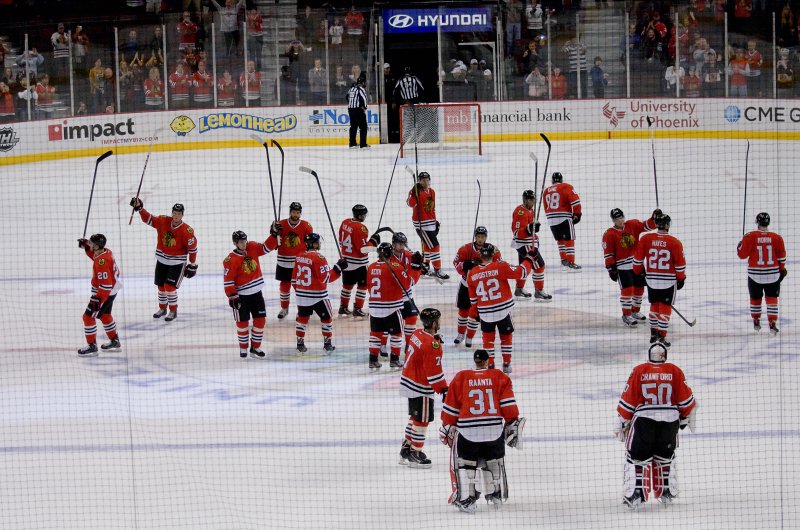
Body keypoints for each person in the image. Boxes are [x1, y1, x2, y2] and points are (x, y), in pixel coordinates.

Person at [439, 348, 524, 513]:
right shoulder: (499, 377)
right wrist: (511, 423)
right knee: (494, 461)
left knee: (465, 464)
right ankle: (496, 494)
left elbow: (450, 412)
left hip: (468, 432)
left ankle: (466, 499)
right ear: (488, 361)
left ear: (475, 361)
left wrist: (447, 425)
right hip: (494, 431)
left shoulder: (461, 377)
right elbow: (510, 409)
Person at [614, 343, 697, 509]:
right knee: (665, 455)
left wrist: (622, 420)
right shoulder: (675, 371)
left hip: (644, 420)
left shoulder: (639, 370)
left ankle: (636, 493)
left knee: (636, 457)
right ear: (665, 356)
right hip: (670, 422)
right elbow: (686, 401)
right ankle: (666, 490)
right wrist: (685, 417)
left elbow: (629, 399)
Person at [467, 243, 534, 373]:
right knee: (506, 337)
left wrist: (475, 312)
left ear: (480, 255)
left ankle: (490, 366)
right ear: (493, 254)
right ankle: (507, 364)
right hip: (503, 311)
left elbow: (473, 299)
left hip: (485, 313)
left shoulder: (472, 273)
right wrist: (529, 259)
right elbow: (522, 273)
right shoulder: (500, 266)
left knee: (488, 340)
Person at [129, 199, 198, 321]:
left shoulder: (187, 231)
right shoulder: (163, 221)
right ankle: (162, 308)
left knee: (169, 287)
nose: (176, 216)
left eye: (179, 214)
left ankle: (173, 310)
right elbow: (148, 219)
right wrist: (140, 208)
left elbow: (192, 249)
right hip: (162, 260)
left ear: (182, 215)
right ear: (172, 213)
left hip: (177, 262)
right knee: (160, 287)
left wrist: (192, 264)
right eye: (175, 213)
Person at [399, 307, 448, 469]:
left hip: (408, 380)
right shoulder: (432, 345)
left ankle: (406, 448)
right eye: (438, 321)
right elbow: (433, 372)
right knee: (422, 420)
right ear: (434, 323)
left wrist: (434, 339)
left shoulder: (417, 334)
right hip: (420, 386)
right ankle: (415, 452)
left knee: (414, 417)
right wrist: (443, 389)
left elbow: (421, 349)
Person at [632, 214, 686, 347]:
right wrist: (681, 278)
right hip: (668, 281)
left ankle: (653, 334)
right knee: (665, 308)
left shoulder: (646, 238)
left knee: (654, 305)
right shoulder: (675, 242)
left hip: (651, 280)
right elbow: (680, 264)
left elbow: (637, 260)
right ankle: (661, 336)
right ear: (667, 225)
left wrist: (639, 272)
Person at [223, 230, 278, 359]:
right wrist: (232, 296)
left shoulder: (252, 247)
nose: (244, 244)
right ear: (235, 243)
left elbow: (266, 248)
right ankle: (243, 348)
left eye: (244, 241)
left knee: (260, 321)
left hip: (256, 294)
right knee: (242, 323)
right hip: (241, 296)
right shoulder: (230, 259)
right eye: (240, 242)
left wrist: (274, 235)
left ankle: (255, 347)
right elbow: (228, 280)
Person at [602, 208, 660, 327]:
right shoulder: (609, 234)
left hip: (636, 264)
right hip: (622, 267)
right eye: (617, 219)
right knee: (627, 291)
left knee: (639, 289)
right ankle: (626, 314)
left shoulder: (633, 224)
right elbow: (608, 253)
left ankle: (635, 311)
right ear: (613, 220)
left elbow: (646, 226)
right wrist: (611, 268)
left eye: (621, 218)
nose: (620, 221)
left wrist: (654, 218)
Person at [293, 233, 348, 353]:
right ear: (313, 244)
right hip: (318, 296)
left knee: (302, 318)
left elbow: (293, 279)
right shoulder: (319, 257)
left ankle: (300, 344)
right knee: (327, 318)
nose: (319, 244)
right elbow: (327, 278)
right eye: (317, 242)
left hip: (301, 296)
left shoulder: (299, 256)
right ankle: (327, 344)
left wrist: (300, 292)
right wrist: (338, 268)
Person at [366, 243, 415, 371]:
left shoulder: (370, 267)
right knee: (397, 334)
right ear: (389, 253)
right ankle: (395, 360)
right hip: (391, 308)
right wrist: (415, 267)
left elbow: (368, 286)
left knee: (375, 334)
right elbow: (408, 284)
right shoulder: (395, 267)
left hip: (374, 308)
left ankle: (373, 360)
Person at [737, 212, 787, 334]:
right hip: (772, 275)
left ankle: (756, 320)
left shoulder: (750, 236)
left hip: (754, 275)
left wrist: (740, 245)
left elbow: (742, 255)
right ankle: (772, 322)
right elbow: (782, 258)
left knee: (755, 298)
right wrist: (781, 270)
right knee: (772, 299)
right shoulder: (777, 237)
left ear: (757, 222)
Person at [453, 226, 501, 347]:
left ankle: (469, 337)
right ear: (475, 237)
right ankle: (460, 334)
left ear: (486, 237)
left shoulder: (493, 250)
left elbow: (499, 266)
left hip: (481, 287)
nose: (480, 239)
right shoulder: (465, 249)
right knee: (463, 311)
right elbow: (456, 263)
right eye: (478, 237)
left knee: (475, 313)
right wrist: (465, 265)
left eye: (483, 237)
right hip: (466, 285)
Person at [76, 234, 122, 357]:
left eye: (91, 243)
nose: (90, 244)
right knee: (105, 315)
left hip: (104, 292)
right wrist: (86, 246)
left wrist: (98, 299)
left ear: (97, 246)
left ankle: (92, 345)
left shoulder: (101, 262)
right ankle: (114, 341)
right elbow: (94, 255)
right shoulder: (106, 252)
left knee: (88, 317)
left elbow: (105, 284)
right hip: (113, 290)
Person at [380, 232, 426, 354]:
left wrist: (420, 265)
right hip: (392, 298)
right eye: (399, 244)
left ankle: (409, 345)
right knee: (388, 323)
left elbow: (413, 278)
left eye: (403, 244)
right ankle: (382, 345)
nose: (401, 247)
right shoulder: (387, 256)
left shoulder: (409, 255)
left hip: (406, 296)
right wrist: (415, 268)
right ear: (393, 244)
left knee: (412, 318)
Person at [272, 202, 314, 320]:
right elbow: (273, 239)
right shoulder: (281, 224)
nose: (295, 214)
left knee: (299, 287)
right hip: (283, 260)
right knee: (284, 286)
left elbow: (310, 243)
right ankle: (284, 308)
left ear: (300, 213)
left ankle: (303, 309)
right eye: (294, 212)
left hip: (299, 262)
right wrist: (274, 230)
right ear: (290, 212)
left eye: (297, 212)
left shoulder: (306, 226)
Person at [338, 204, 379, 317]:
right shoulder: (361, 228)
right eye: (364, 215)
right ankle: (358, 308)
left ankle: (343, 307)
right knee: (363, 286)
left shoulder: (345, 222)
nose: (365, 216)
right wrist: (374, 242)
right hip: (359, 264)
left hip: (345, 261)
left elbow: (341, 240)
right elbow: (363, 250)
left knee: (347, 285)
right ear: (360, 216)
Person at [407, 172, 448, 280]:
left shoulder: (432, 191)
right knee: (434, 246)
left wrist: (435, 221)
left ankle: (424, 267)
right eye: (423, 180)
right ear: (419, 181)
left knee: (428, 246)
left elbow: (431, 208)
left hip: (431, 223)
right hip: (422, 225)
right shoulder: (415, 192)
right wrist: (414, 194)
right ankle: (438, 270)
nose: (425, 182)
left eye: (427, 180)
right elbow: (410, 204)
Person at [510, 190, 550, 301]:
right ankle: (539, 291)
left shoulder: (531, 210)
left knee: (524, 267)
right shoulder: (520, 212)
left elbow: (530, 228)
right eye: (530, 200)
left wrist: (534, 227)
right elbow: (516, 232)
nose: (532, 202)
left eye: (533, 200)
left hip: (528, 243)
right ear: (525, 200)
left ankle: (519, 290)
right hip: (524, 244)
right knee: (539, 265)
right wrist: (529, 229)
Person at [542, 172, 582, 270]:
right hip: (564, 217)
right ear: (561, 179)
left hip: (551, 219)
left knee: (560, 239)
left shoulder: (546, 190)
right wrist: (577, 214)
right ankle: (571, 262)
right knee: (569, 239)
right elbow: (575, 201)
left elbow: (545, 206)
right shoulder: (566, 187)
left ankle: (564, 260)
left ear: (552, 180)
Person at [347, 73, 368, 148]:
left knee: (353, 126)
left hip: (350, 109)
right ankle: (363, 144)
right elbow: (364, 99)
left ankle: (352, 144)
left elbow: (347, 97)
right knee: (363, 127)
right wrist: (364, 108)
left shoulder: (352, 88)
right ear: (363, 82)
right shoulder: (361, 89)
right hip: (358, 110)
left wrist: (351, 104)